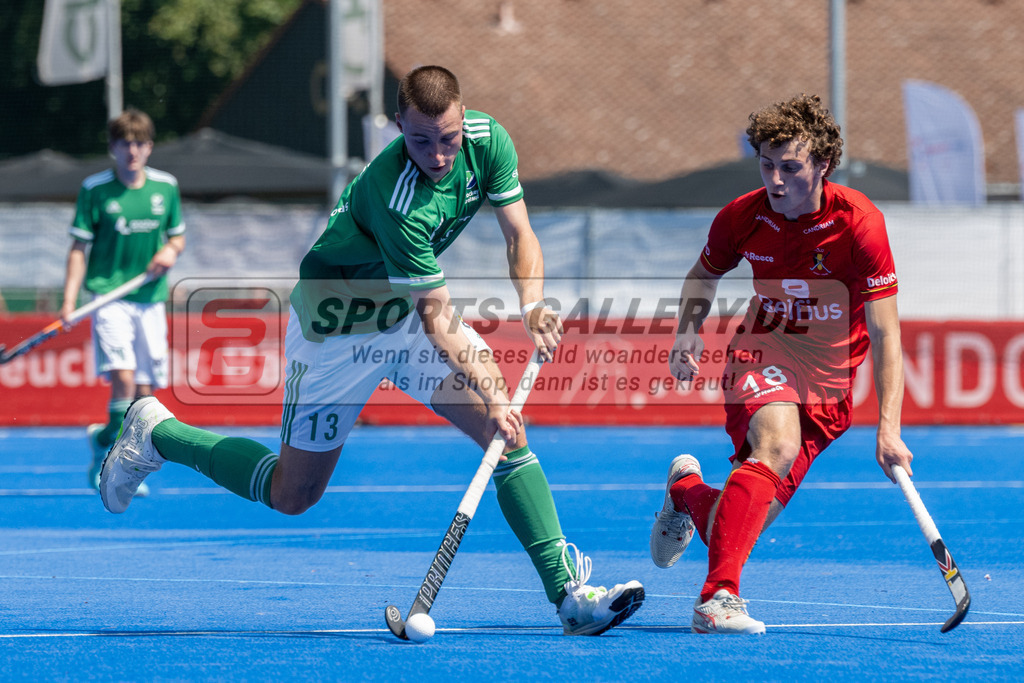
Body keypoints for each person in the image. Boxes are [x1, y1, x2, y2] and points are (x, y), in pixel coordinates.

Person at [98, 66, 644, 635]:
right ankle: (157, 431)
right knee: (293, 493)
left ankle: (569, 598)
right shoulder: (397, 197)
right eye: (420, 141)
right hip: (337, 331)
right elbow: (438, 318)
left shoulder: (490, 140)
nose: (437, 155)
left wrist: (532, 305)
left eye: (449, 137)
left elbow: (520, 234)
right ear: (399, 128)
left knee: (503, 433)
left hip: (404, 314)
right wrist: (491, 387)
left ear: (464, 117)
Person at [650, 94, 913, 634]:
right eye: (766, 165)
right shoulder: (742, 218)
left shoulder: (860, 225)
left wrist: (889, 429)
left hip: (830, 383)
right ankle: (718, 598)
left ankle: (684, 492)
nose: (775, 180)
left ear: (823, 165)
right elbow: (703, 276)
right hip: (763, 349)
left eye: (790, 167)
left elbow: (886, 333)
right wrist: (686, 331)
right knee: (777, 444)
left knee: (735, 525)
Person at [62, 108, 185, 492]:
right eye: (124, 143)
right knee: (125, 383)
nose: (132, 151)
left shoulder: (166, 188)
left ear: (149, 148)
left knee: (147, 393)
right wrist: (69, 302)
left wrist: (171, 252)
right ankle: (121, 466)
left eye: (139, 143)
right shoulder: (95, 189)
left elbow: (177, 237)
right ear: (113, 148)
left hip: (150, 299)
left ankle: (102, 441)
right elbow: (78, 249)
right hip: (108, 298)